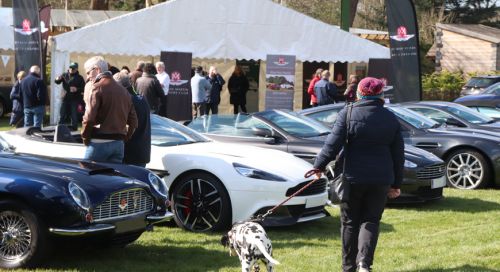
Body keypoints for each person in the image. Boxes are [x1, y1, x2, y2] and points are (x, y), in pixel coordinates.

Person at [311, 77, 404, 272]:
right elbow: (398, 155)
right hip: (380, 179)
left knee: (350, 223)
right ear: (381, 94)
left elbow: (332, 143)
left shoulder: (348, 112)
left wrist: (318, 166)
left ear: (359, 93)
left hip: (352, 177)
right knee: (371, 220)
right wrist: (396, 183)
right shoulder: (390, 117)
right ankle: (364, 264)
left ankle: (348, 268)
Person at [82, 56, 138, 163]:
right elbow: (134, 122)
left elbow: (88, 119)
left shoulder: (97, 87)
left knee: (88, 176)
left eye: (88, 72)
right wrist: (123, 138)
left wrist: (85, 138)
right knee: (112, 178)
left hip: (99, 143)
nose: (88, 77)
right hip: (118, 144)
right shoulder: (124, 91)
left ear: (97, 69)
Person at [113, 71, 151, 167]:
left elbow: (126, 128)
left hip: (131, 154)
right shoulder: (141, 98)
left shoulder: (127, 100)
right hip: (142, 151)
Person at [55, 62, 86, 131]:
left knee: (74, 115)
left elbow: (84, 88)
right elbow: (57, 82)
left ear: (76, 69)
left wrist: (76, 89)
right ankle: (59, 129)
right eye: (70, 68)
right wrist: (57, 79)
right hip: (65, 98)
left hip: (75, 99)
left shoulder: (80, 78)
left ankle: (74, 129)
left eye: (73, 68)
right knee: (62, 114)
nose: (71, 69)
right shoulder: (64, 75)